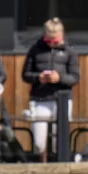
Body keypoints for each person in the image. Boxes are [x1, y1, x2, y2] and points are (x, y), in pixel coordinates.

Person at [22, 18, 79, 155]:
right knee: (39, 143)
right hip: (40, 98)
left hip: (62, 100)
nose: (52, 44)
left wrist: (59, 78)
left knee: (59, 142)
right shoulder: (35, 49)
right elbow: (25, 74)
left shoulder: (69, 51)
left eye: (55, 40)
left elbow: (75, 77)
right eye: (49, 40)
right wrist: (38, 78)